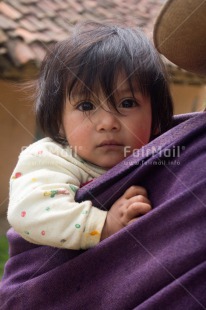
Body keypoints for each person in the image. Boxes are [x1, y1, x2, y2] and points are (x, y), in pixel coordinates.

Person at [7, 21, 173, 250]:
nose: (107, 123)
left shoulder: (162, 155)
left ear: (156, 117)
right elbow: (30, 211)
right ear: (59, 121)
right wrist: (104, 225)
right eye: (86, 106)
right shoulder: (50, 158)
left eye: (127, 103)